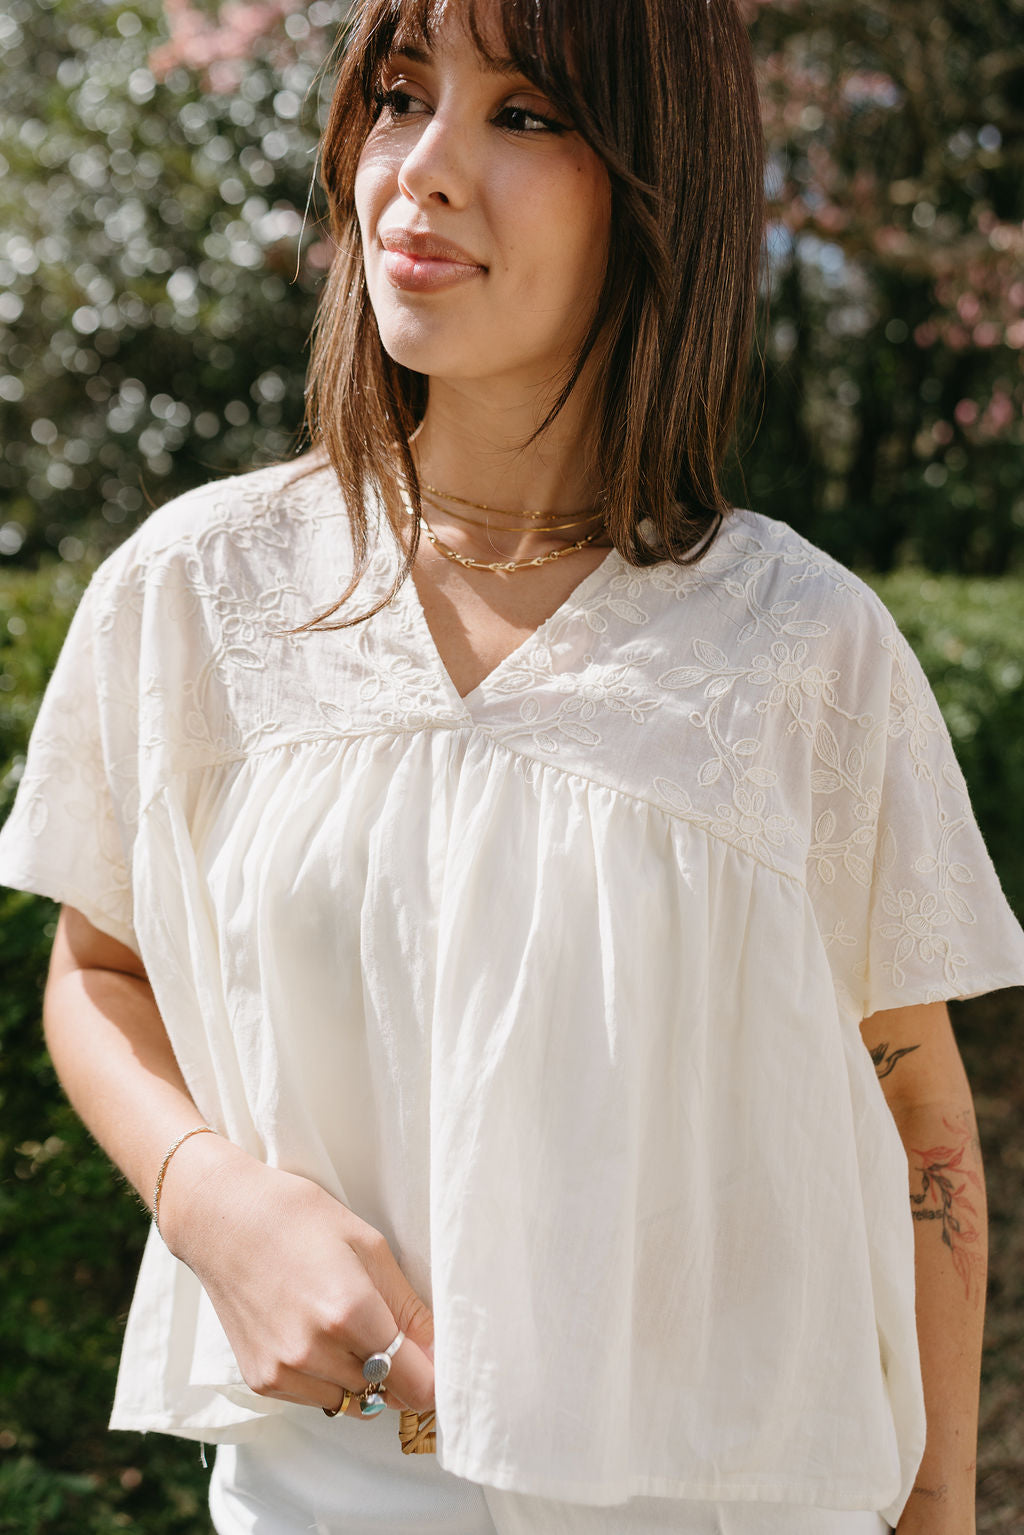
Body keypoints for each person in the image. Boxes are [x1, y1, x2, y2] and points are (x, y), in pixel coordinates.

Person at [1, 0, 1022, 1531]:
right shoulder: (200, 588)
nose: (421, 168)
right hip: (328, 1497)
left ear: (655, 183)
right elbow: (99, 966)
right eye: (401, 96)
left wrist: (940, 1501)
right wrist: (210, 1199)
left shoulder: (804, 646)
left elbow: (917, 1110)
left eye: (527, 115)